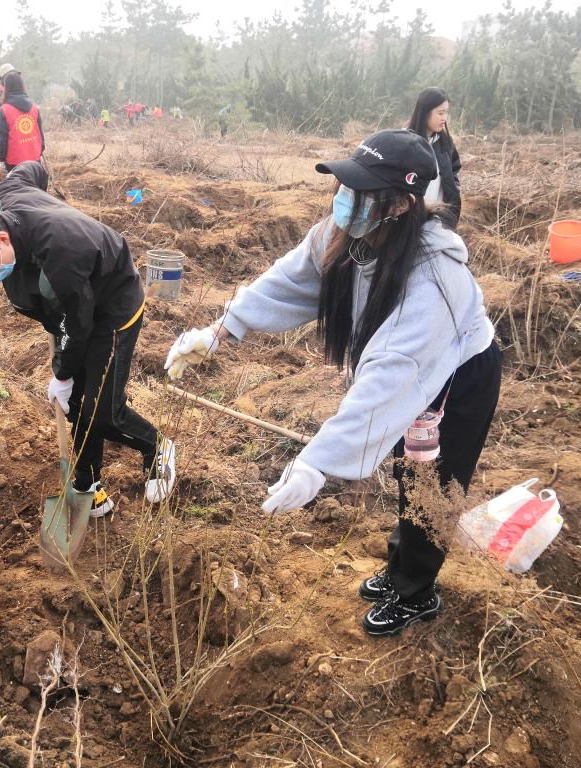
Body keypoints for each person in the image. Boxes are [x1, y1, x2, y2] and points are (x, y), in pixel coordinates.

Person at [165, 129, 501, 637]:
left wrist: (318, 462)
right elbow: (289, 278)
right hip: (406, 371)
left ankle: (417, 592)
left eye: (361, 192)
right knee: (407, 470)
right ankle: (401, 568)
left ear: (401, 205)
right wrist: (221, 329)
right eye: (346, 187)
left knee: (434, 480)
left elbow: (389, 379)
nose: (346, 200)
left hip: (457, 375)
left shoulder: (435, 281)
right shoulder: (349, 236)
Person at [0, 161, 176, 516]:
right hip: (75, 306)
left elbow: (76, 326)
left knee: (103, 412)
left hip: (113, 305)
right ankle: (88, 482)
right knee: (76, 403)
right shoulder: (6, 194)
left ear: (2, 239)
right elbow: (32, 168)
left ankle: (157, 447)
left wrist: (62, 375)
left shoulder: (62, 255)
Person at [408, 87, 461, 227]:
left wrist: (454, 193)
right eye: (440, 113)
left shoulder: (445, 143)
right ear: (425, 112)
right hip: (411, 219)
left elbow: (454, 172)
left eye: (446, 112)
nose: (444, 118)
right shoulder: (407, 143)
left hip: (437, 219)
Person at [0, 72, 44, 171]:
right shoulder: (34, 107)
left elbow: (2, 139)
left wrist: (1, 159)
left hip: (14, 162)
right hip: (35, 159)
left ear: (6, 88)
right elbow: (40, 134)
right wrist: (40, 152)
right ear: (22, 86)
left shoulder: (4, 110)